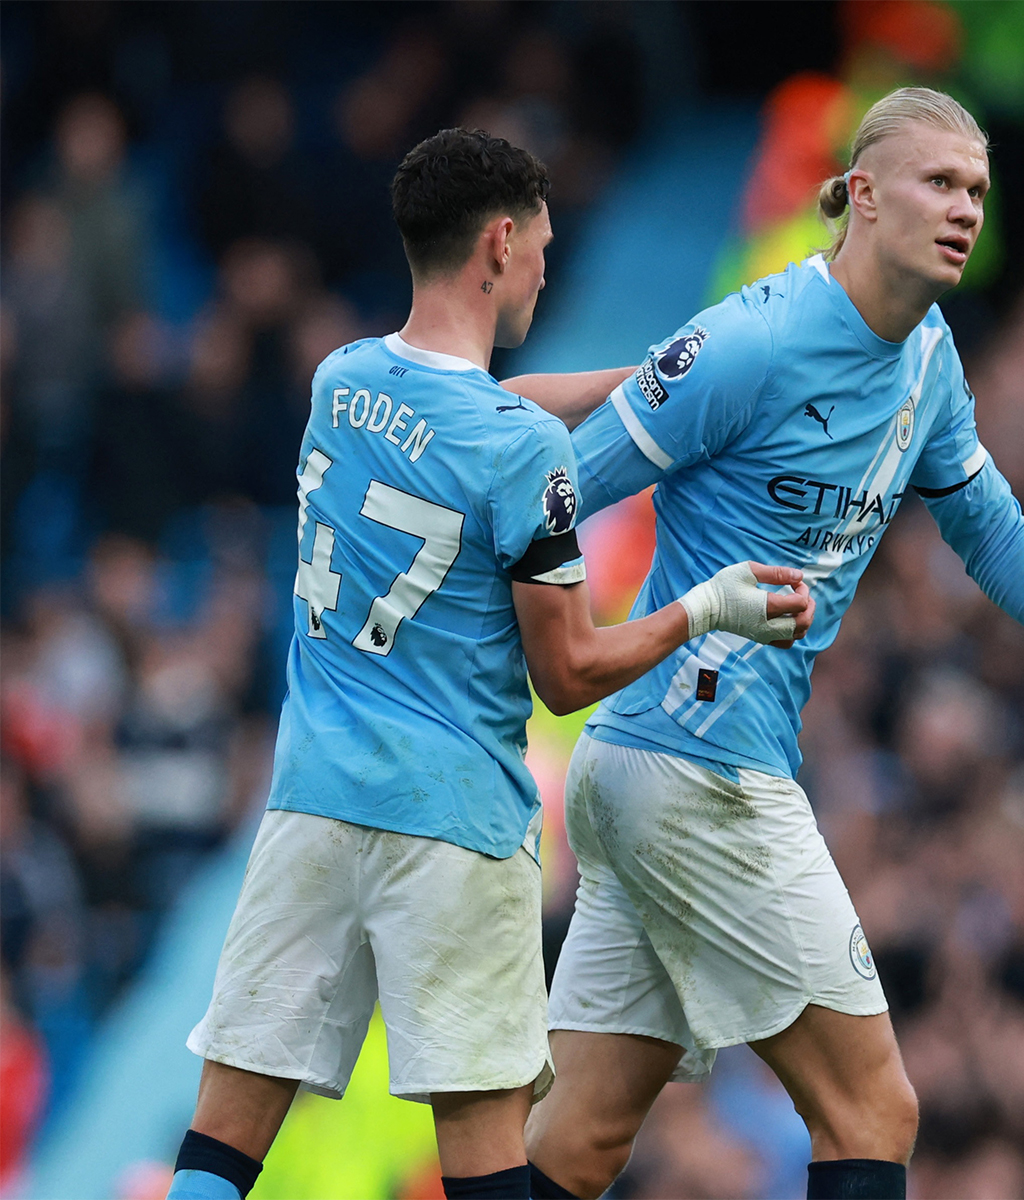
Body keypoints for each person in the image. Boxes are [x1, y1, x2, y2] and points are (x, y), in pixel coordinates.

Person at [515, 88, 1024, 1200]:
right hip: (696, 768)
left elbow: (992, 535)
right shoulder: (750, 339)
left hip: (649, 776)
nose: (965, 209)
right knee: (873, 1109)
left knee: (577, 1140)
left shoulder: (927, 360)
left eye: (976, 191)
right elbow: (558, 490)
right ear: (861, 195)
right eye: (938, 184)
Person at [166, 128, 814, 1200]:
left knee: (220, 1148)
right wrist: (707, 607)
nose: (551, 265)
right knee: (485, 1167)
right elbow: (568, 675)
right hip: (454, 833)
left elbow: (480, 410)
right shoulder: (525, 459)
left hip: (312, 806)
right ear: (501, 243)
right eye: (545, 244)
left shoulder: (341, 381)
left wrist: (653, 385)